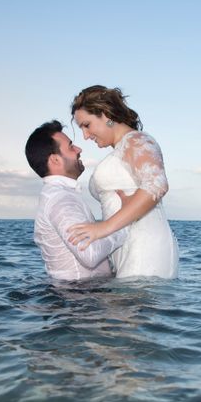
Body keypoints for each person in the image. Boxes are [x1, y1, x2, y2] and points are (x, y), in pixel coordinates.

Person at [68, 85, 179, 278]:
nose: (85, 136)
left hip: (144, 244)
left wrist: (103, 227)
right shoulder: (122, 149)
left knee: (126, 306)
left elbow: (157, 184)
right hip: (124, 244)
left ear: (105, 114)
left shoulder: (137, 141)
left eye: (87, 125)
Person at [25, 120, 127, 280]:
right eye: (71, 146)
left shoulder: (57, 195)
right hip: (80, 298)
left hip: (79, 295)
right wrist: (125, 224)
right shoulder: (61, 200)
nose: (79, 149)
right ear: (55, 160)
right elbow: (89, 254)